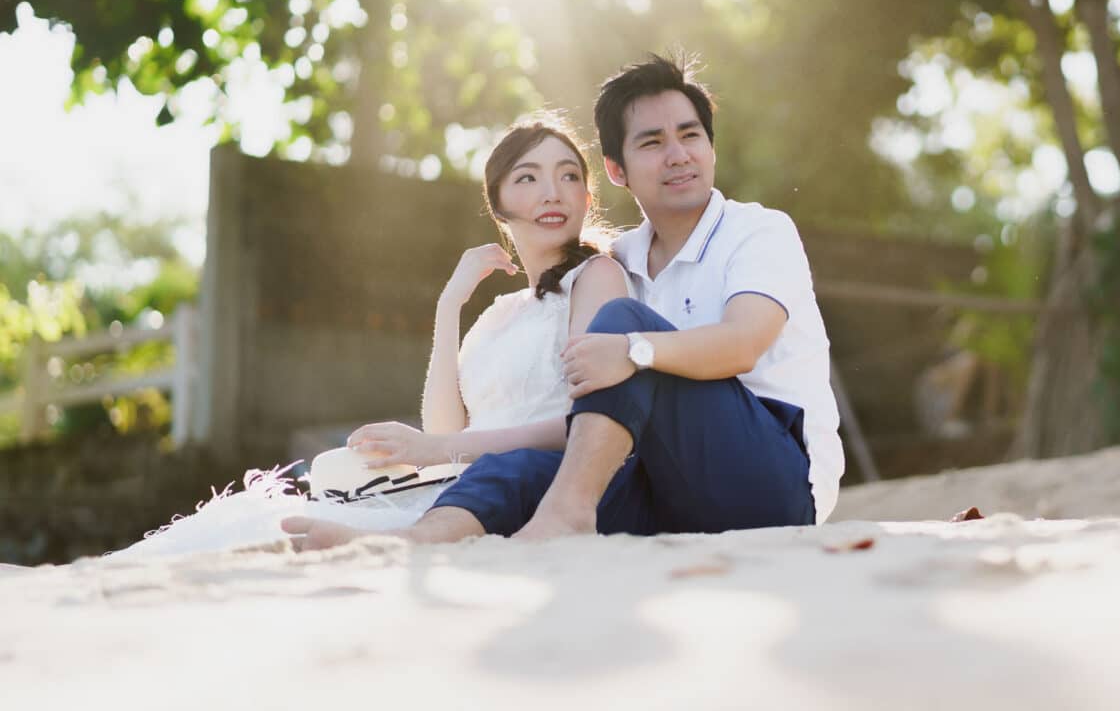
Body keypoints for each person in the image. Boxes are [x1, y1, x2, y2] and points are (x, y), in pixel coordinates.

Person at [283, 52, 843, 550]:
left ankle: (567, 513)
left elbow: (742, 344)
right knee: (521, 469)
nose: (678, 155)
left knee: (618, 329)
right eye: (653, 141)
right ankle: (405, 543)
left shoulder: (756, 232)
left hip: (772, 485)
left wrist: (634, 352)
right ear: (618, 171)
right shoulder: (622, 259)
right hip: (671, 495)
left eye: (690, 135)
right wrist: (451, 306)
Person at [114, 116, 630, 558]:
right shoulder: (498, 312)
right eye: (528, 177)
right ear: (497, 203)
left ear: (587, 197)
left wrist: (436, 448)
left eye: (568, 177)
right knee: (256, 524)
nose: (552, 192)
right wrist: (449, 306)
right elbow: (445, 427)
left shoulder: (597, 279)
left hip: (543, 481)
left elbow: (584, 425)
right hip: (467, 483)